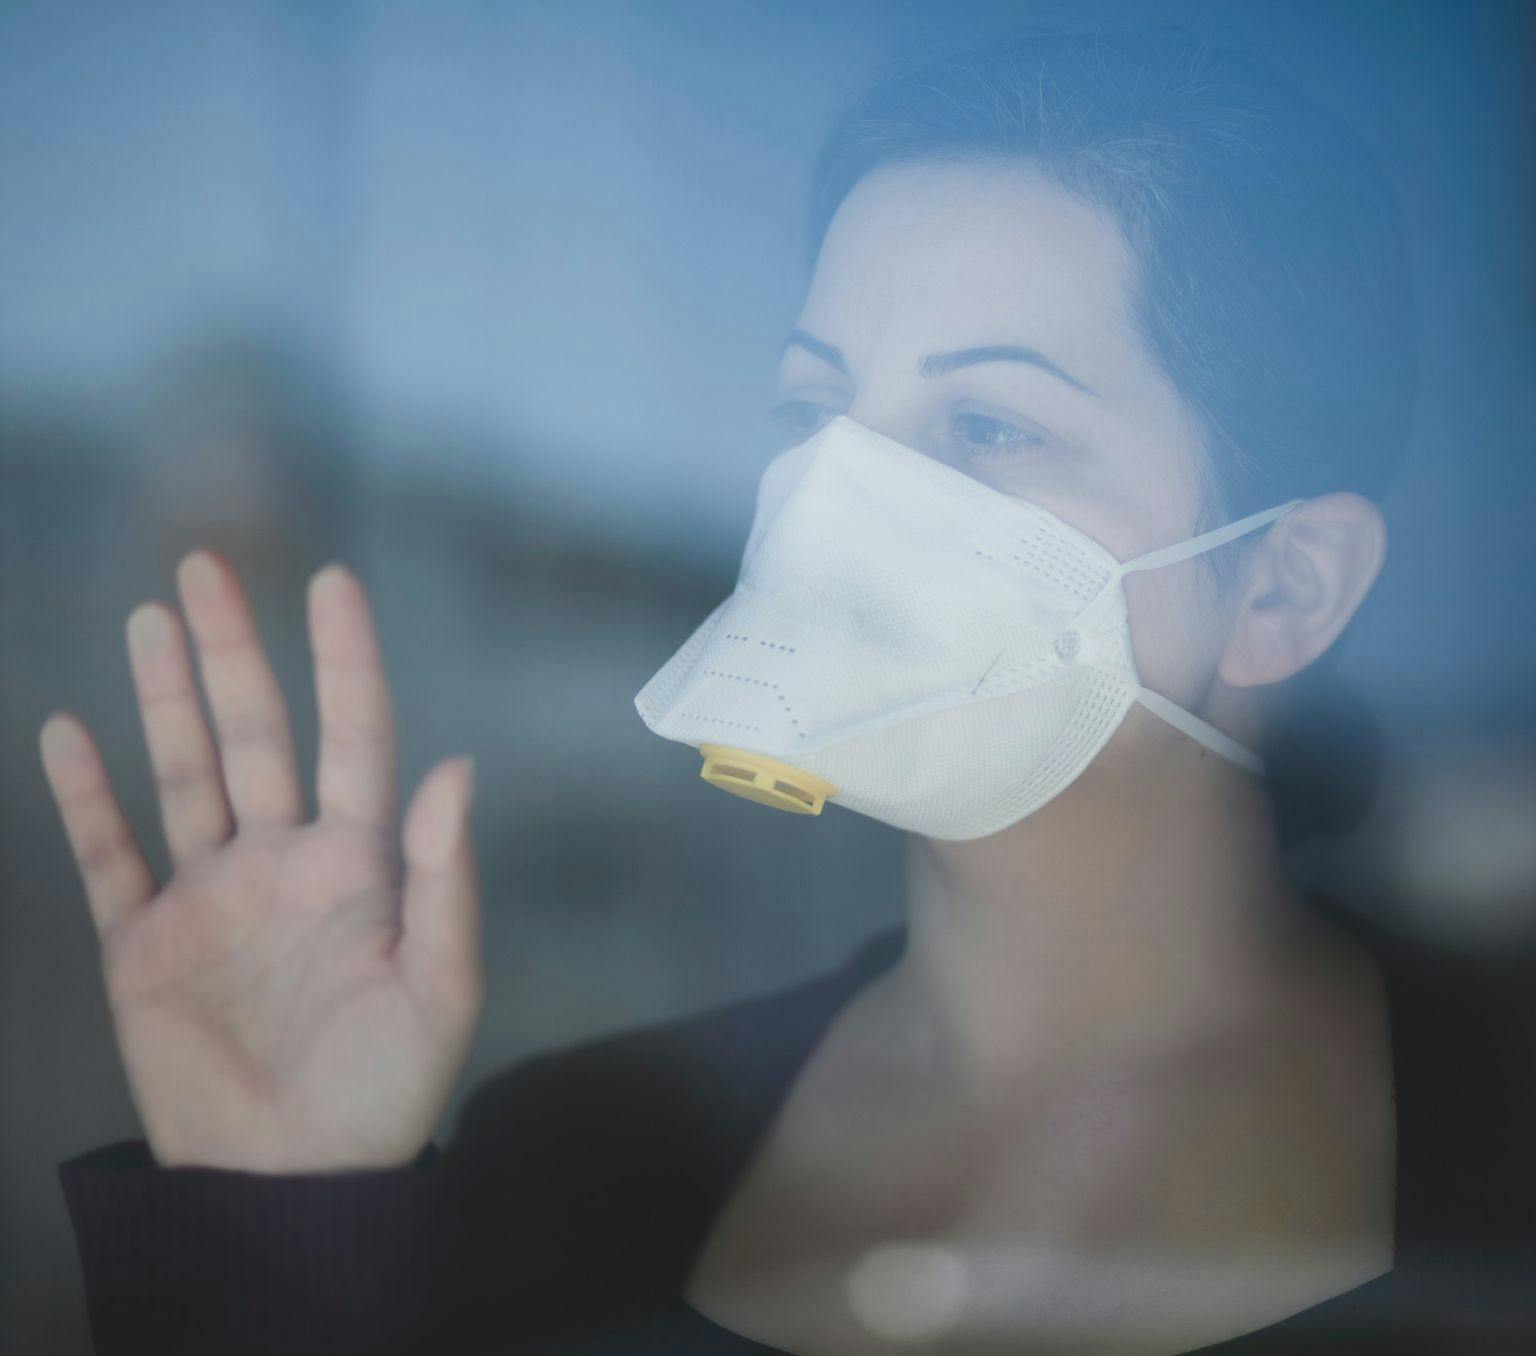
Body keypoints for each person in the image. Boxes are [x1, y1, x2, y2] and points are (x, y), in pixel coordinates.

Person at [40, 24, 1536, 1356]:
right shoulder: (574, 1160)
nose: (840, 501)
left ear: (1285, 589)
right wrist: (282, 1226)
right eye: (816, 406)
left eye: (988, 426)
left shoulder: (1505, 1150)